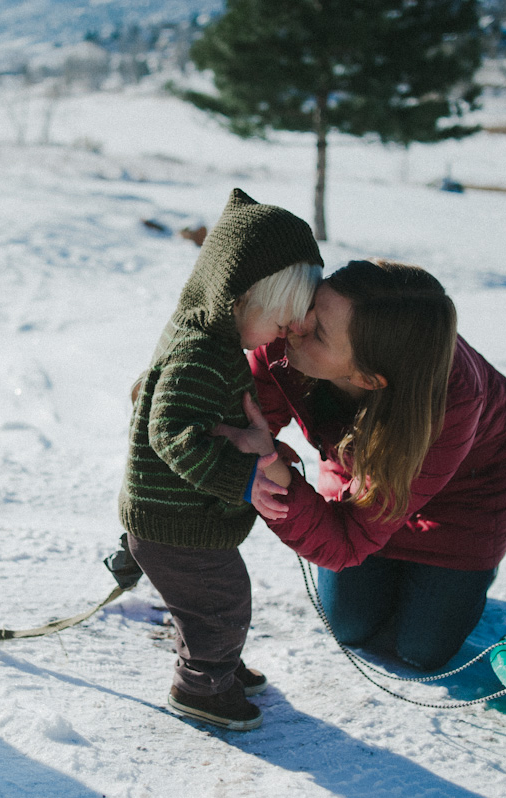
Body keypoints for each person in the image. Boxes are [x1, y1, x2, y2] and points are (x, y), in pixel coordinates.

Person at [215, 258, 506, 671]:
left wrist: (273, 470)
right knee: (349, 626)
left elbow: (346, 541)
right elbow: (246, 418)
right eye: (311, 305)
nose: (295, 326)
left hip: (470, 487)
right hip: (357, 462)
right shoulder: (292, 334)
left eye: (318, 332)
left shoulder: (451, 404)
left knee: (421, 651)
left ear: (368, 378)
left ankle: (465, 577)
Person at [118, 188, 322, 731]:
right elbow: (169, 432)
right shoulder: (200, 353)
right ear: (242, 297)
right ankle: (202, 686)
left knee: (201, 603)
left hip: (175, 518)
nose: (285, 336)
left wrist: (261, 451)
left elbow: (209, 421)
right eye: (281, 323)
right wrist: (245, 477)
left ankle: (214, 665)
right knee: (222, 604)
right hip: (175, 523)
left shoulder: (210, 341)